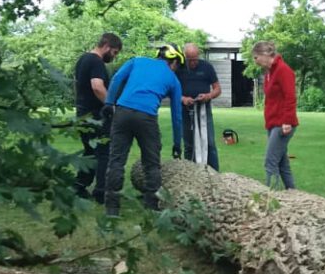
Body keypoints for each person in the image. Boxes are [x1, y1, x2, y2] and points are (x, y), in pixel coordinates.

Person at [103, 42, 185, 217]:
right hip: (146, 117)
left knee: (116, 160)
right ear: (174, 61)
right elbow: (177, 115)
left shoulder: (137, 61)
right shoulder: (173, 79)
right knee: (151, 164)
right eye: (178, 65)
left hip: (122, 111)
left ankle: (112, 208)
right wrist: (177, 143)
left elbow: (117, 78)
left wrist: (109, 103)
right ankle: (151, 206)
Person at [73, 32, 122, 204]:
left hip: (81, 112)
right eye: (114, 53)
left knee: (90, 151)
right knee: (103, 153)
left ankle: (78, 186)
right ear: (107, 46)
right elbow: (97, 86)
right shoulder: (96, 62)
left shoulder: (83, 59)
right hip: (95, 115)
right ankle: (101, 192)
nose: (114, 57)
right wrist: (111, 105)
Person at [252, 40, 297, 189]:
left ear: (265, 54)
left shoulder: (283, 70)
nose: (255, 60)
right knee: (282, 162)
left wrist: (287, 121)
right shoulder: (269, 73)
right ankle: (293, 194)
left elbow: (290, 97)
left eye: (255, 57)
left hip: (282, 123)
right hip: (272, 123)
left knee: (270, 161)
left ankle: (270, 197)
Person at [178, 41, 221, 169]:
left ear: (199, 55)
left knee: (209, 143)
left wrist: (208, 96)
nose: (193, 63)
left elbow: (217, 89)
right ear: (184, 57)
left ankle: (214, 174)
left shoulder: (206, 67)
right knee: (189, 145)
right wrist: (183, 98)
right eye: (190, 60)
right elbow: (172, 91)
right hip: (185, 111)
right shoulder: (179, 69)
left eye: (195, 59)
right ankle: (190, 176)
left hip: (204, 110)